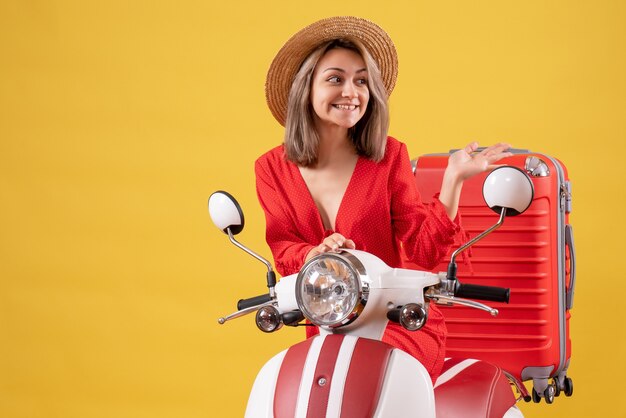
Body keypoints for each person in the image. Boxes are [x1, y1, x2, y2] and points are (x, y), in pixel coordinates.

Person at [255, 16, 512, 383]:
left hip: (399, 322)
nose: (352, 92)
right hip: (330, 327)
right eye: (335, 79)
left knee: (372, 378)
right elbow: (284, 250)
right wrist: (314, 254)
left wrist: (453, 179)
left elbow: (422, 256)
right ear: (304, 87)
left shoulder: (389, 157)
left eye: (361, 80)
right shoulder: (271, 168)